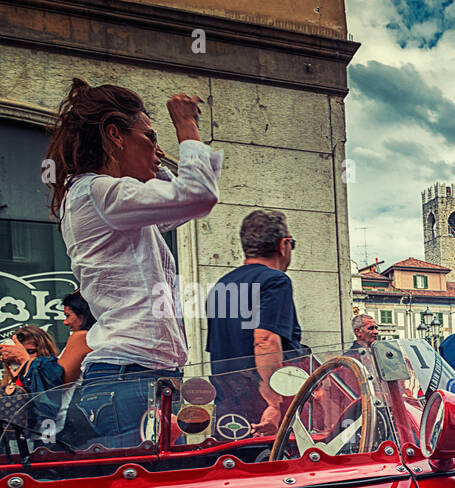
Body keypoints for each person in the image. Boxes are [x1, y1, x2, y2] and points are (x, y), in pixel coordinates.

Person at [46, 79, 221, 448]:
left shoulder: (103, 198)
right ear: (115, 135)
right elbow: (198, 195)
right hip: (129, 380)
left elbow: (178, 209)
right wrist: (185, 127)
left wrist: (147, 161)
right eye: (150, 137)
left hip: (133, 378)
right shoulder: (101, 192)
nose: (158, 151)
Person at [205, 209, 305, 435]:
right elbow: (265, 341)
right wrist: (274, 404)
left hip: (227, 412)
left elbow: (221, 353)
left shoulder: (220, 287)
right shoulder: (275, 281)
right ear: (283, 245)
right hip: (263, 414)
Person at [1, 326, 91, 442]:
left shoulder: (54, 371)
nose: (17, 356)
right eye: (14, 352)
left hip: (58, 442)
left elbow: (47, 392)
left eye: (30, 351)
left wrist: (26, 361)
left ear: (44, 350)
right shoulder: (8, 384)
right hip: (21, 447)